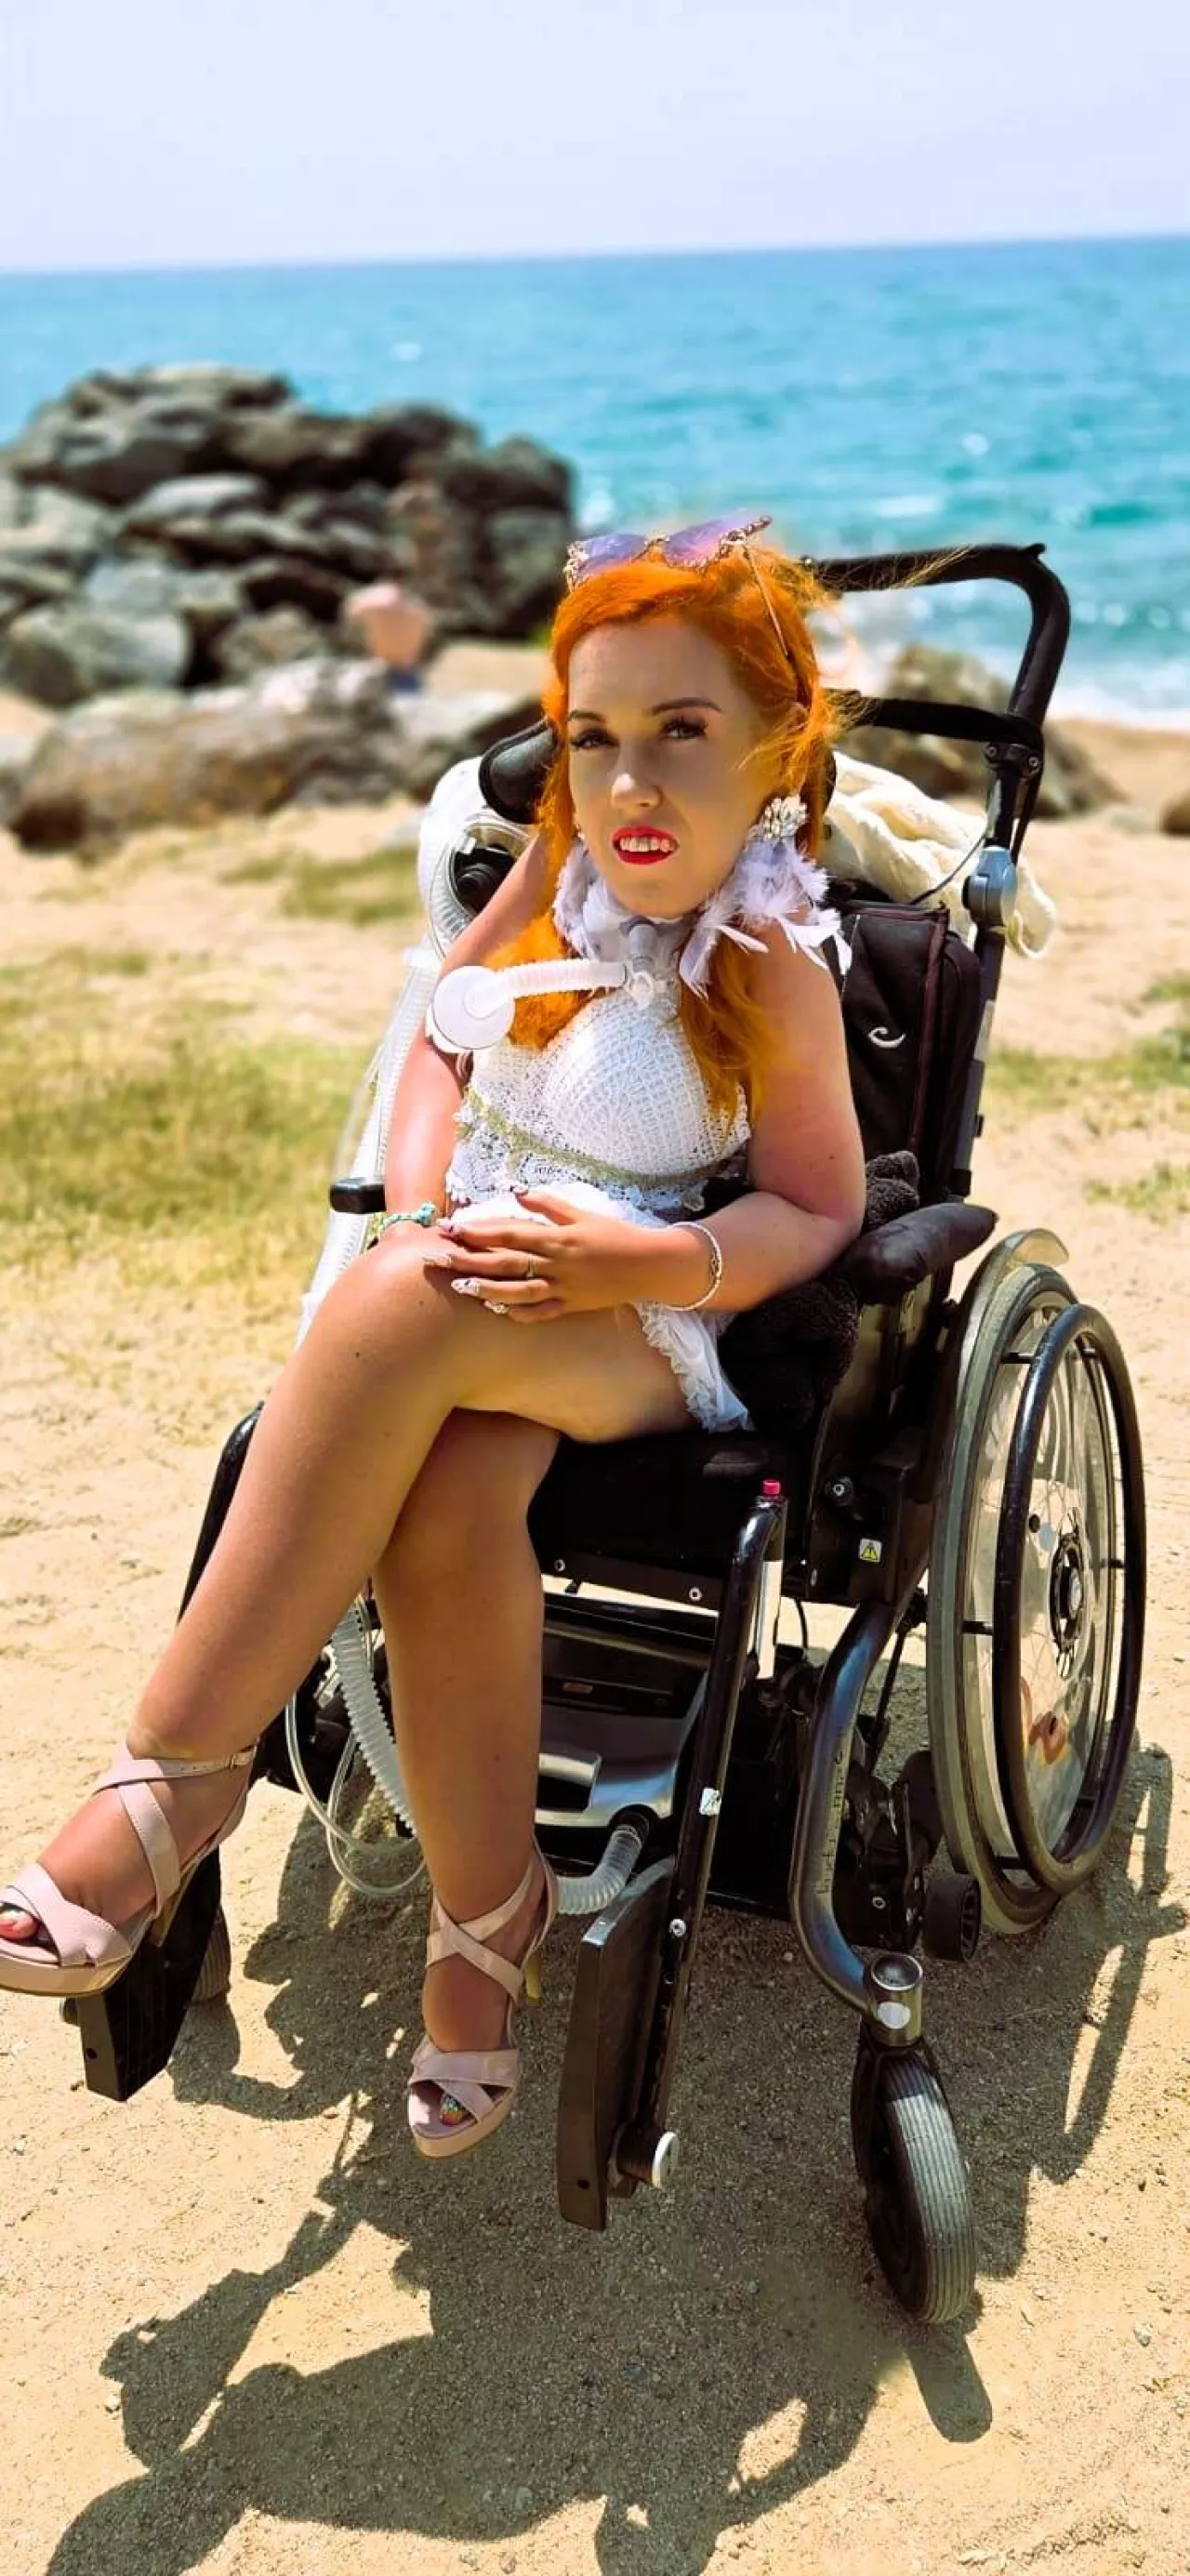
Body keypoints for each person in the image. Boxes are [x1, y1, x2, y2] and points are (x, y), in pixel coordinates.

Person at [0, 517, 866, 2161]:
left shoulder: (766, 960)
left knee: (408, 1306)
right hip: (470, 1283)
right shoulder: (558, 870)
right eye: (595, 737)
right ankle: (487, 1920)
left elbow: (817, 1207)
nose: (631, 781)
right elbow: (438, 1048)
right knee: (448, 1505)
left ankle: (176, 1773)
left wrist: (639, 1257)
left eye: (683, 732)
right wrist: (416, 1205)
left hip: (643, 1316)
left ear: (776, 747)